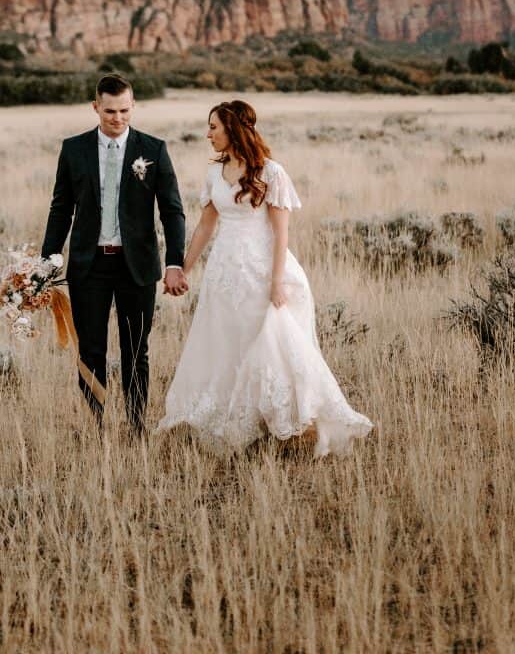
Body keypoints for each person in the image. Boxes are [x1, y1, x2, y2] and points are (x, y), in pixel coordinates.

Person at [157, 100, 373, 455]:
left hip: (262, 271)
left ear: (233, 129)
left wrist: (276, 283)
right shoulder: (214, 173)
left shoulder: (271, 173)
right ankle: (237, 420)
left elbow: (280, 234)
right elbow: (205, 227)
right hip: (225, 273)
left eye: (213, 127)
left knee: (269, 342)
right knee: (229, 344)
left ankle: (288, 422)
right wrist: (182, 268)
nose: (207, 133)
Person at [41, 74, 188, 433]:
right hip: (88, 266)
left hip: (135, 266)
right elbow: (61, 209)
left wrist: (174, 263)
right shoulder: (73, 149)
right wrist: (47, 260)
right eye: (109, 111)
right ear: (96, 107)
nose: (117, 118)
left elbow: (172, 210)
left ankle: (136, 425)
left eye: (124, 110)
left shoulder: (153, 150)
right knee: (90, 350)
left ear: (132, 106)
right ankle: (96, 424)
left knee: (136, 351)